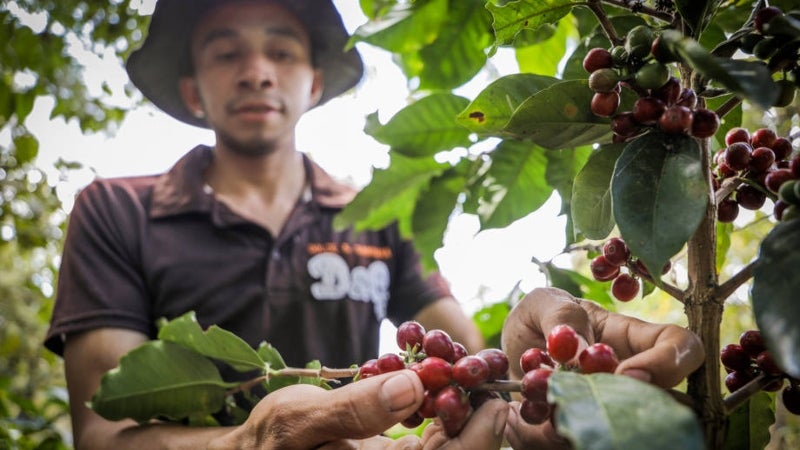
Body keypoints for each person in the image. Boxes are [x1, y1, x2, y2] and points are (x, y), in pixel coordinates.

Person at [43, 0, 704, 448]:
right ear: (193, 91)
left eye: (280, 51)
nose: (255, 72)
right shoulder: (116, 209)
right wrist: (248, 441)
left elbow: (470, 366)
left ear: (312, 84)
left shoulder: (377, 214)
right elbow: (103, 434)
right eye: (225, 54)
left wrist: (531, 361)